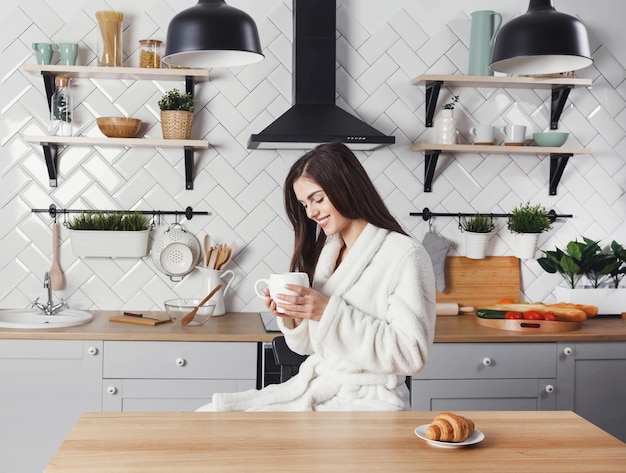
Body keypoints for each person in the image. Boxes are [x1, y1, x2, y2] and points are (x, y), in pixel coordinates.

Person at [198, 142, 436, 412]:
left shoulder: (405, 254)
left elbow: (411, 353)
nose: (310, 213)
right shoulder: (330, 252)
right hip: (321, 388)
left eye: (318, 199)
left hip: (370, 403)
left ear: (346, 186)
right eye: (304, 204)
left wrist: (327, 312)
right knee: (211, 416)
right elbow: (310, 347)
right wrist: (294, 316)